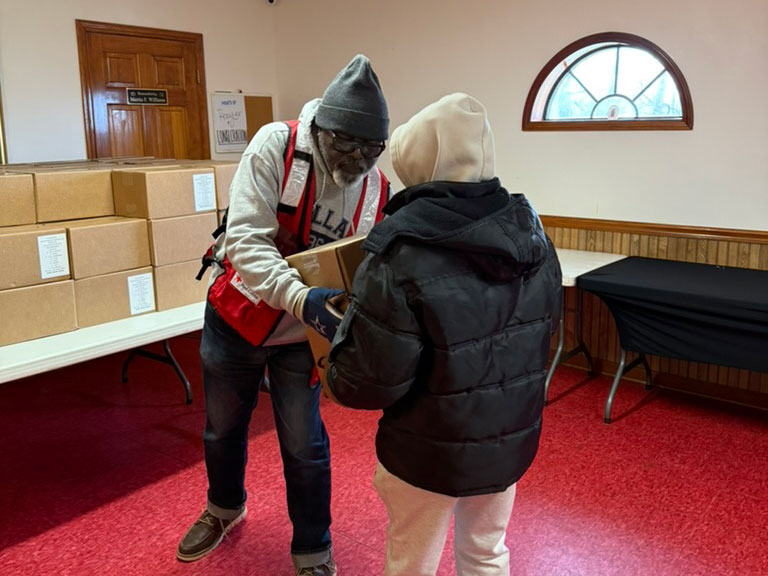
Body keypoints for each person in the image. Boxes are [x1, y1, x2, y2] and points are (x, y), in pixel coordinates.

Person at [326, 93, 562, 576]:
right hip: (507, 441)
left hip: (426, 451)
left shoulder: (400, 252)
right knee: (487, 553)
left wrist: (335, 345)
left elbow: (369, 383)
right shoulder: (534, 239)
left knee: (412, 562)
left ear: (416, 162)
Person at [177, 54, 391, 576]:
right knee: (223, 427)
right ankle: (224, 508)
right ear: (321, 129)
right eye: (346, 143)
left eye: (371, 147)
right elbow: (246, 241)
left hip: (301, 335)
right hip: (238, 318)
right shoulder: (277, 145)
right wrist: (298, 298)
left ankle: (313, 547)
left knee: (304, 441)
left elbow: (354, 263)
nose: (358, 158)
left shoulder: (375, 187)